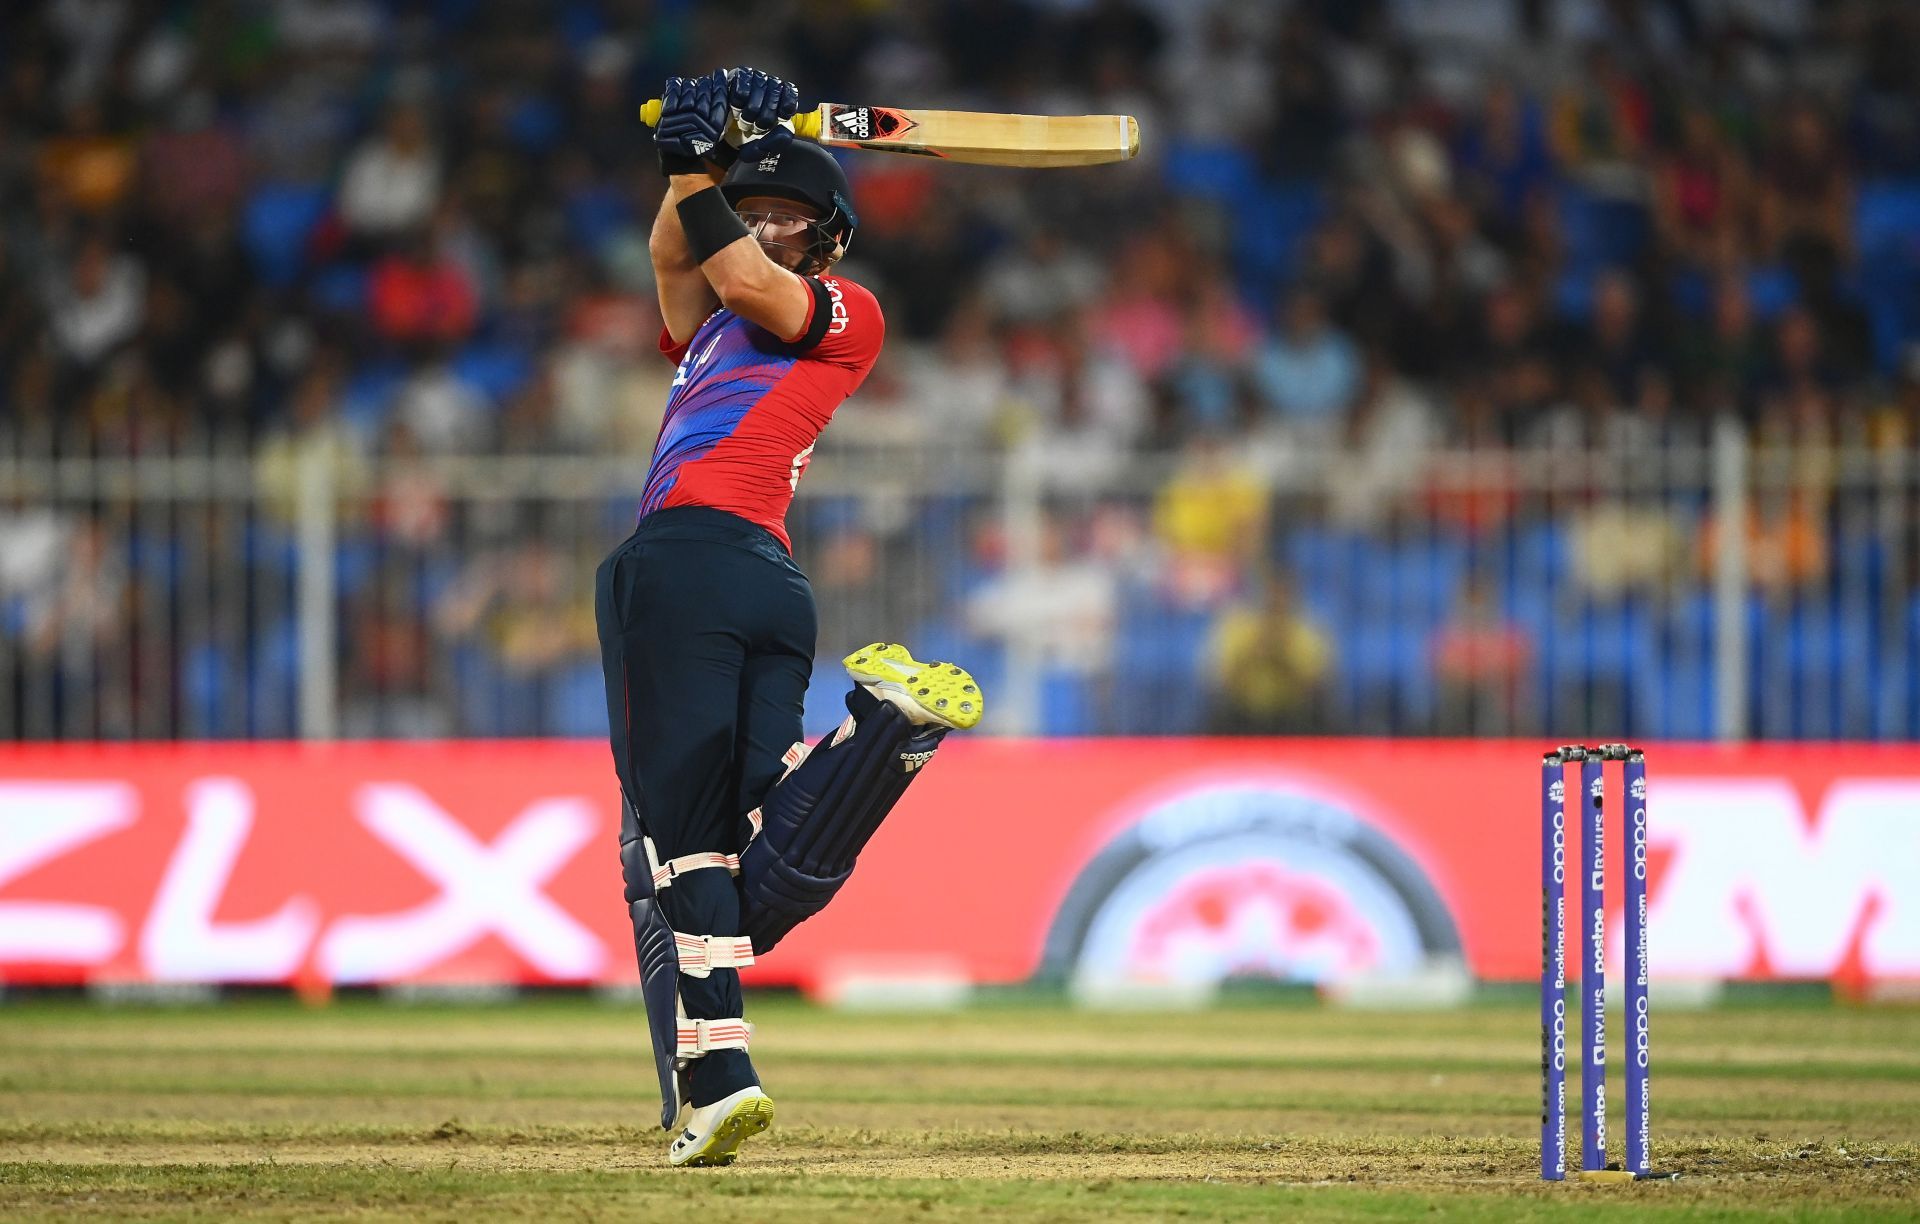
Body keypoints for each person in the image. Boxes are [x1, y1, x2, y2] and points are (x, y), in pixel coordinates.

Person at [596, 68, 984, 1168]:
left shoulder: (843, 316)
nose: (763, 233)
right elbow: (682, 258)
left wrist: (697, 163)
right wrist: (690, 161)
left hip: (685, 562)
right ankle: (875, 738)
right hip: (766, 583)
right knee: (733, 860)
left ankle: (718, 1082)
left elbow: (733, 267)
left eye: (789, 222)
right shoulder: (712, 320)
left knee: (668, 845)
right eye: (753, 212)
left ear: (832, 245)